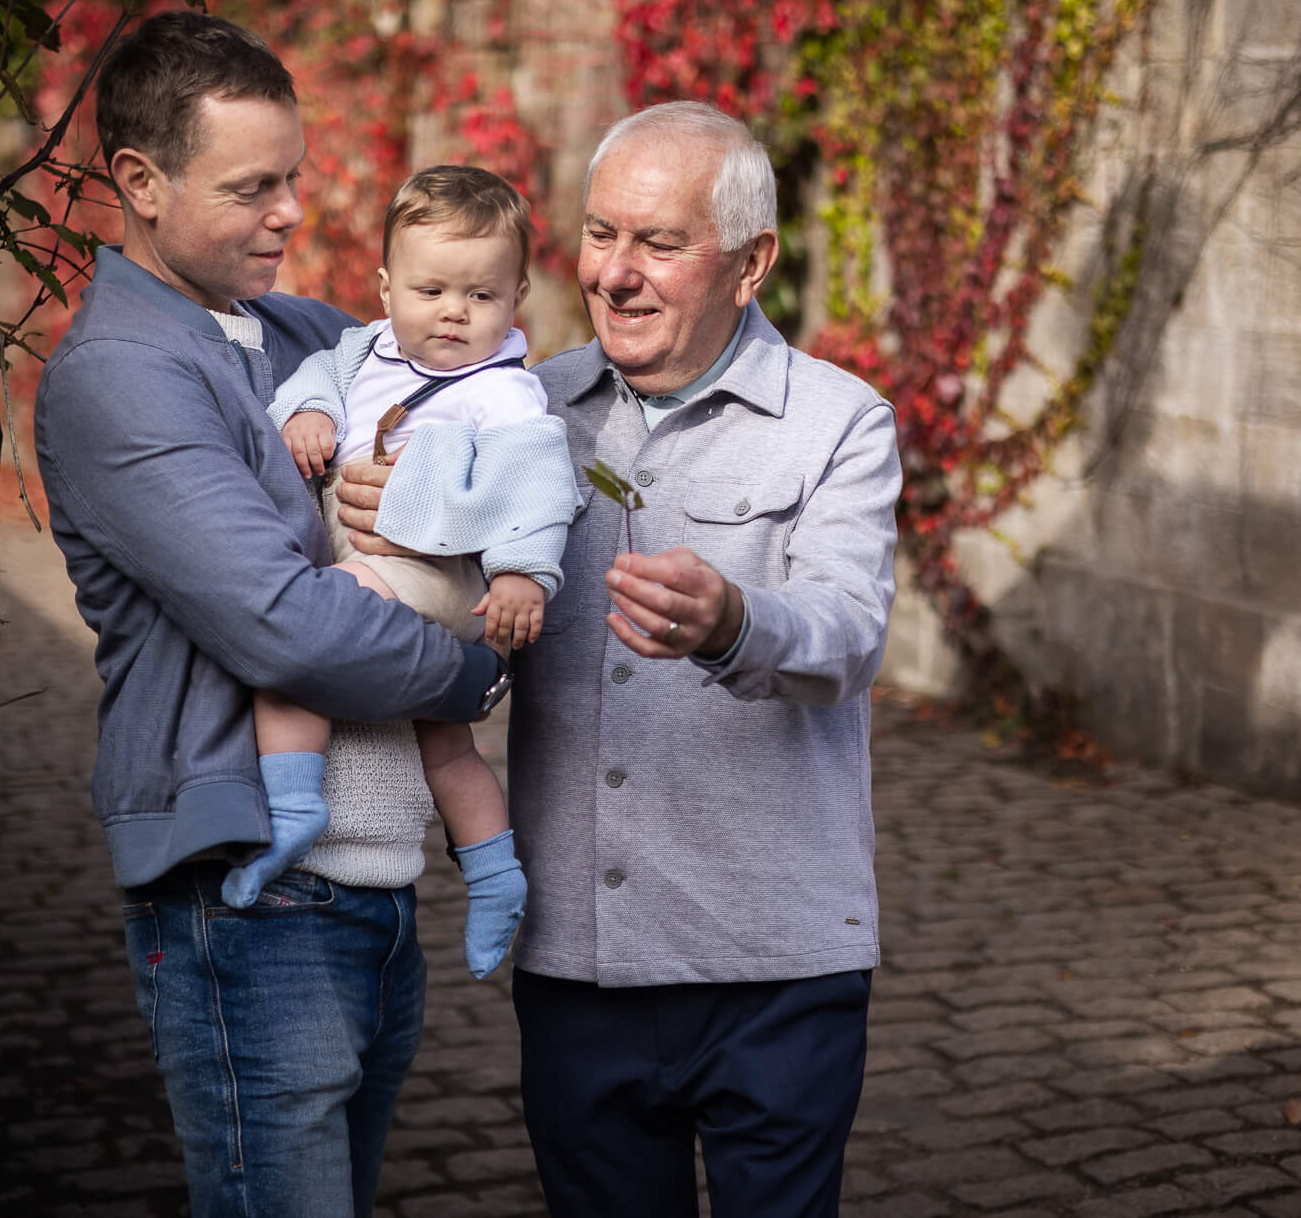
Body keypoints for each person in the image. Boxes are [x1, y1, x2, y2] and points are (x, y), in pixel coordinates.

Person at [342, 100, 900, 1216]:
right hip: (578, 964)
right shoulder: (519, 408)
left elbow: (848, 632)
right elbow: (454, 631)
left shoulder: (838, 421)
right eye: (600, 234)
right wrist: (399, 533)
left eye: (659, 242)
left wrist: (735, 621)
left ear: (751, 263)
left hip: (775, 960)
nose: (614, 273)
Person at [32, 11, 512, 1218]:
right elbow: (285, 627)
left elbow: (494, 396)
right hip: (245, 893)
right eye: (251, 188)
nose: (292, 213)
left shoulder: (309, 333)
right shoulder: (120, 376)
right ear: (140, 182)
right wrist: (473, 673)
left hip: (374, 876)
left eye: (292, 177)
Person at [252, 164, 580, 978]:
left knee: (308, 626)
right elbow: (317, 375)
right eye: (430, 290)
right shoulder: (363, 350)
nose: (453, 312)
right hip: (372, 556)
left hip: (441, 574)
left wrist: (521, 575)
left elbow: (538, 487)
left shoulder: (500, 391)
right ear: (387, 286)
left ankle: (291, 808)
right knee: (448, 747)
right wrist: (310, 411)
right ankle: (496, 876)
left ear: (517, 296)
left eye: (481, 295)